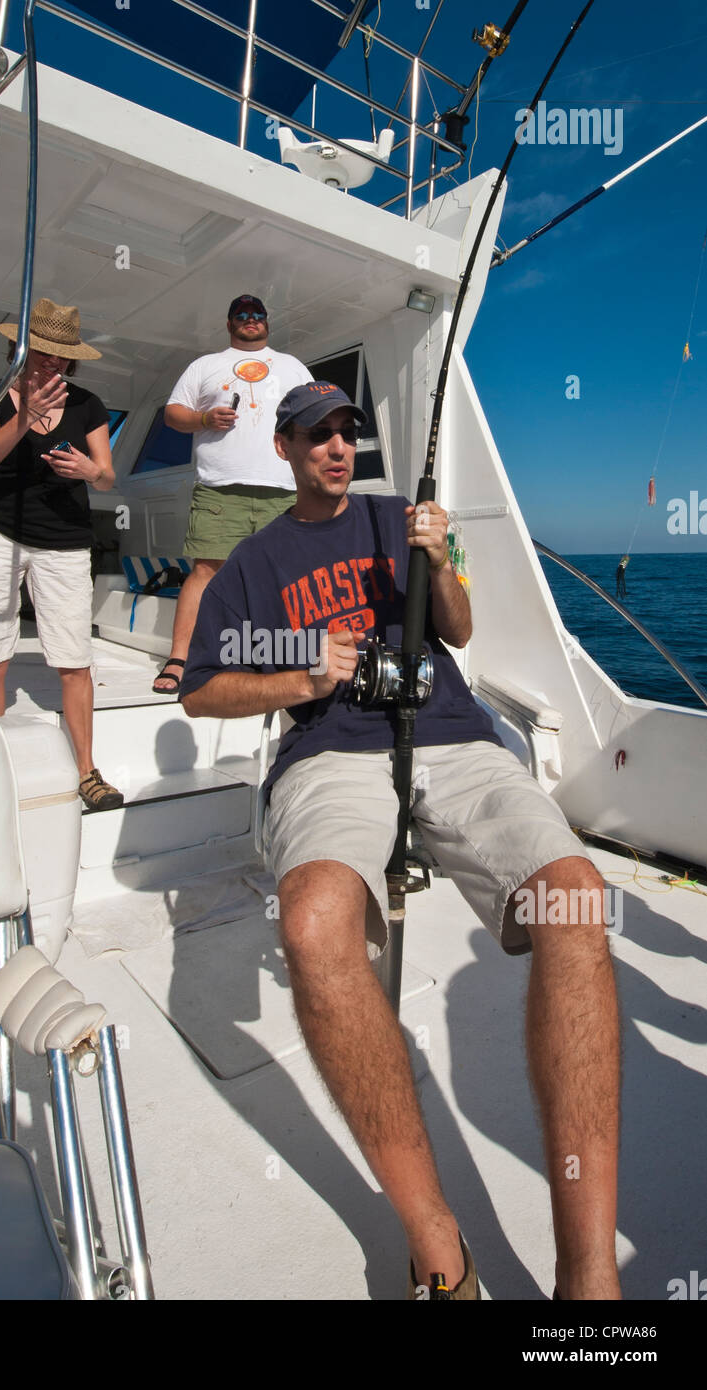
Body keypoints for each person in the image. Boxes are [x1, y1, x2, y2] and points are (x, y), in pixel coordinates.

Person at [180, 382, 621, 1301]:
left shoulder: (402, 520)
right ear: (286, 445)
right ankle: (437, 1249)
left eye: (348, 433)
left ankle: (588, 1285)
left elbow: (456, 629)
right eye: (317, 435)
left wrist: (440, 564)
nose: (337, 448)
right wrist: (299, 674)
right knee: (310, 926)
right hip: (329, 752)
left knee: (574, 898)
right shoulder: (251, 563)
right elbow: (201, 689)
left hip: (452, 739)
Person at [0, 297, 123, 812]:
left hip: (66, 540)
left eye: (61, 354)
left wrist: (87, 471)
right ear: (21, 346)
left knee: (75, 659)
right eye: (42, 350)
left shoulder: (88, 405)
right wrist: (26, 416)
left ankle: (87, 771)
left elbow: (107, 475)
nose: (52, 361)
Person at [152, 294, 313, 693]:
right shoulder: (205, 365)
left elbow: (315, 414)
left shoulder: (292, 366)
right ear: (229, 324)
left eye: (257, 313)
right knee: (206, 571)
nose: (250, 319)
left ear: (267, 322)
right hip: (220, 489)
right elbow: (173, 414)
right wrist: (204, 418)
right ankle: (179, 659)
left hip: (283, 491)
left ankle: (280, 659)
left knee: (285, 577)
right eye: (241, 314)